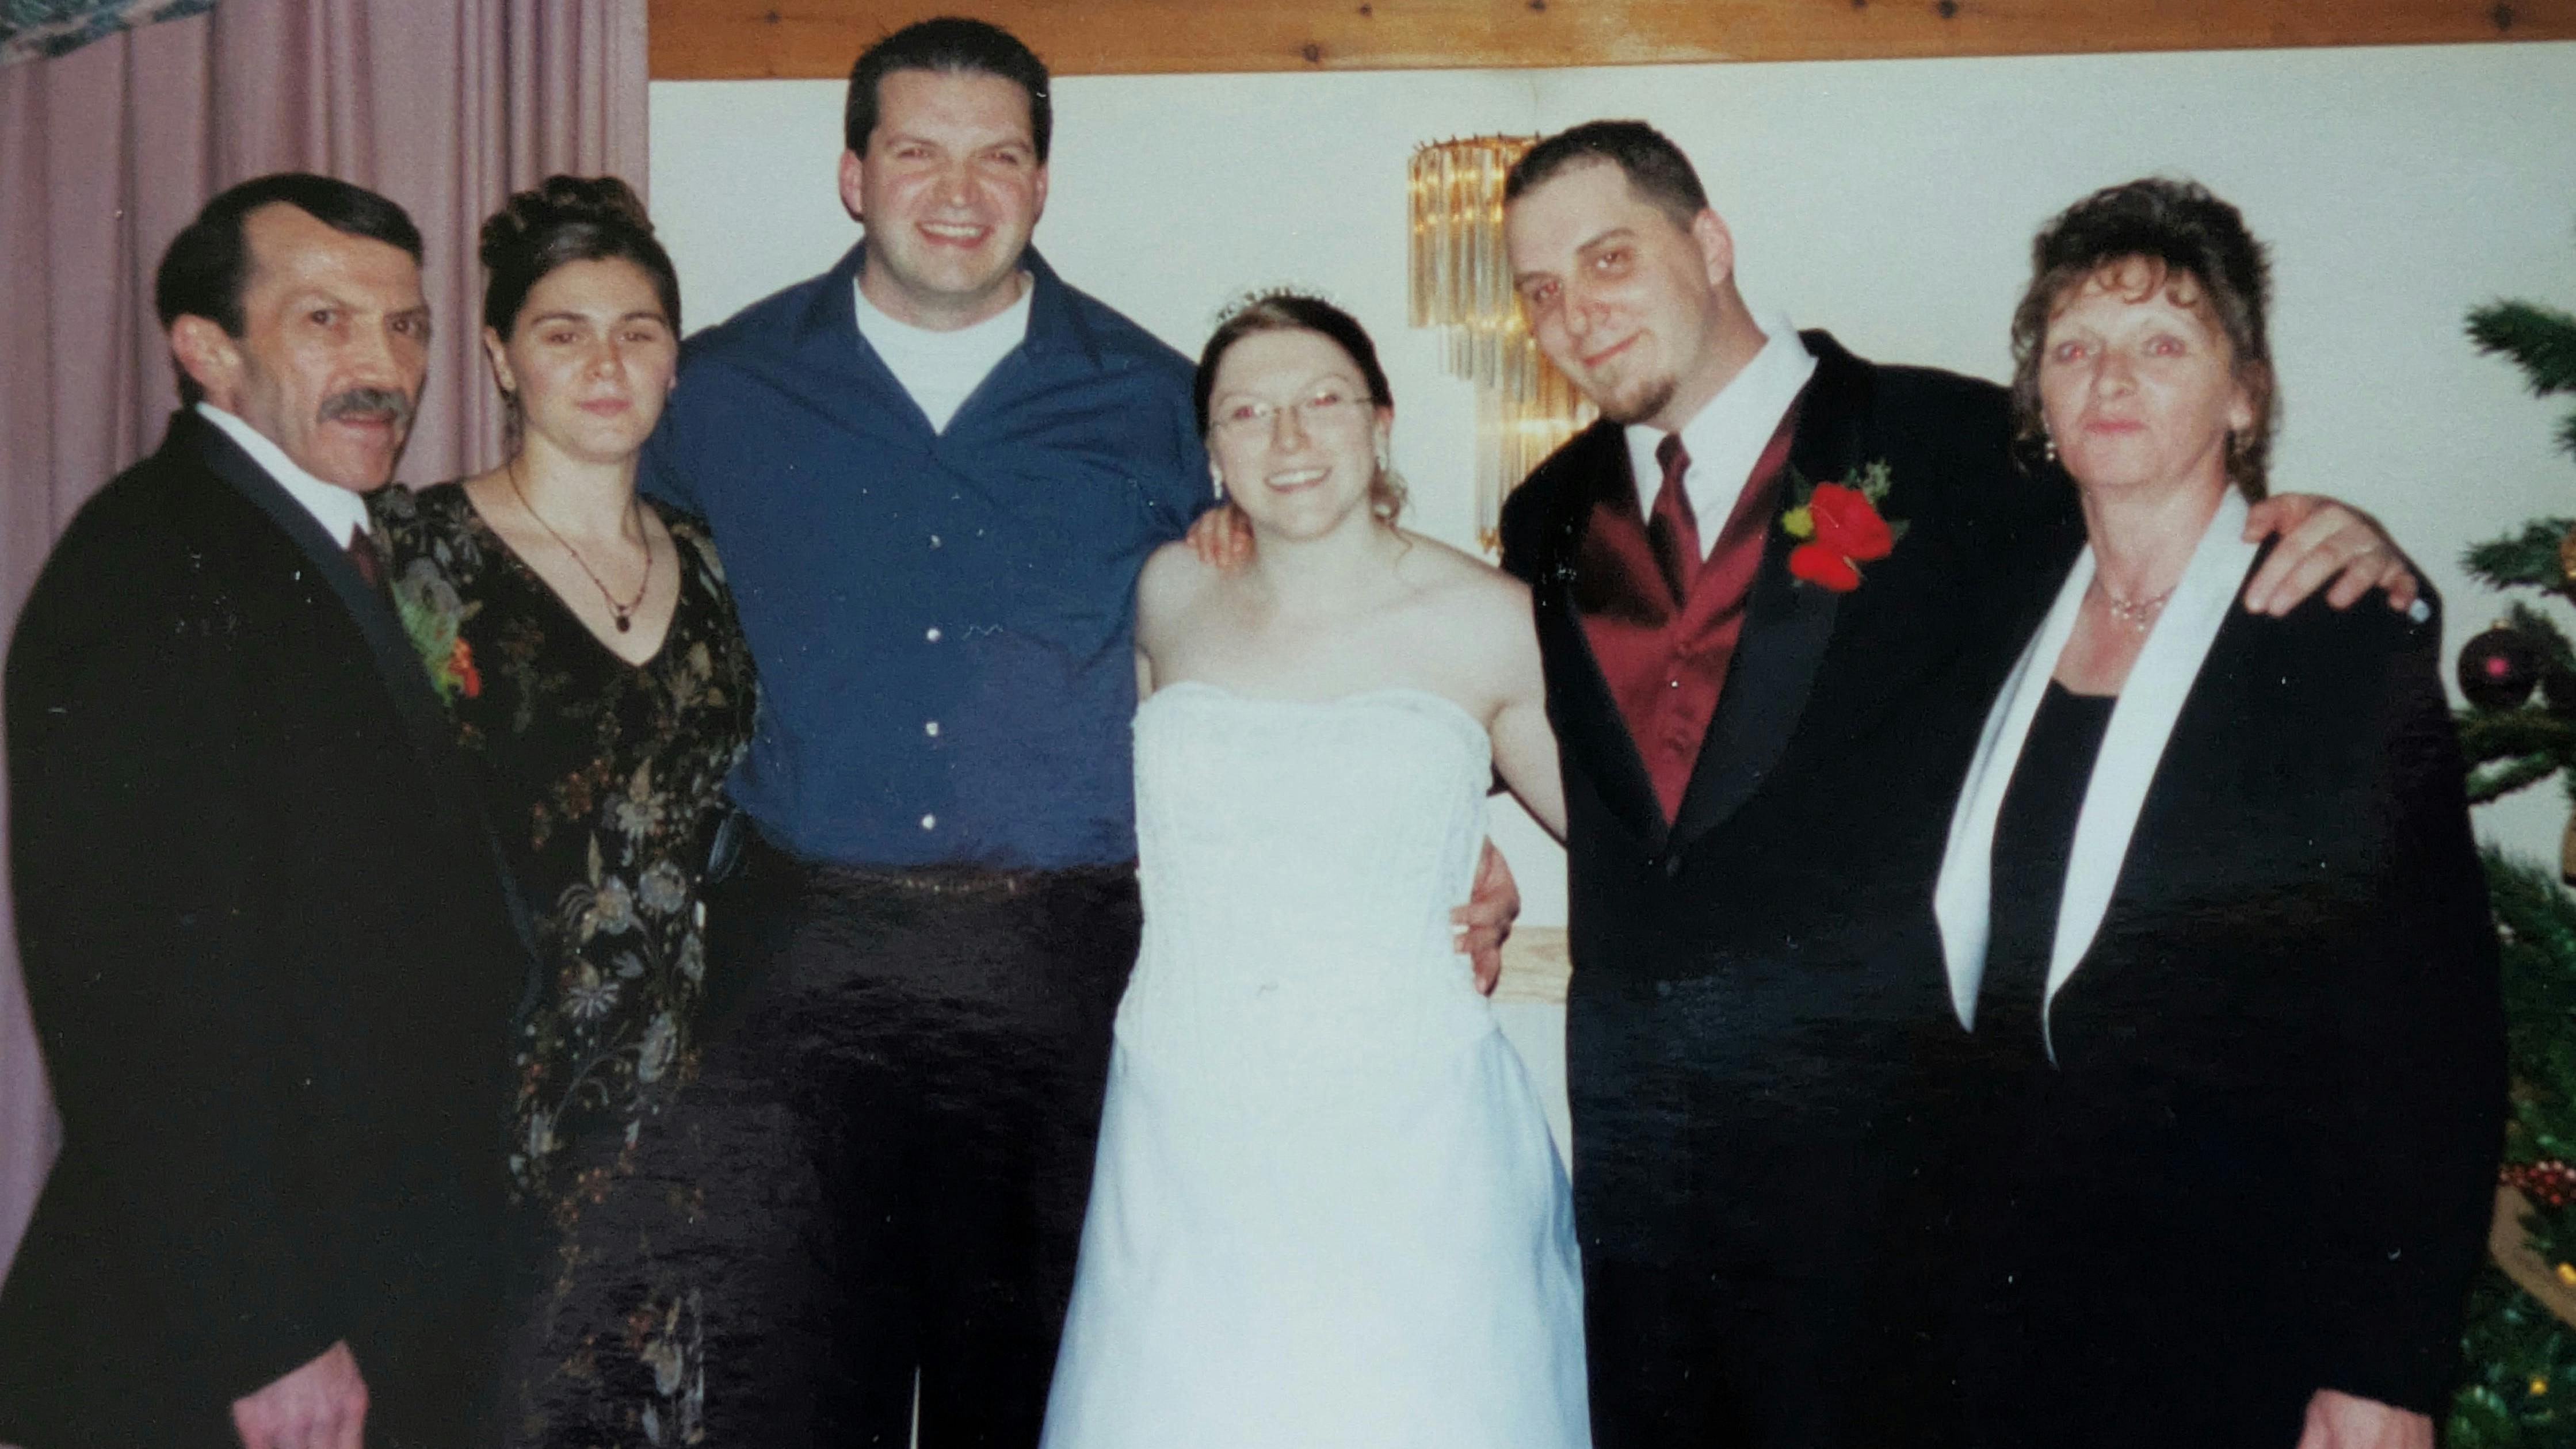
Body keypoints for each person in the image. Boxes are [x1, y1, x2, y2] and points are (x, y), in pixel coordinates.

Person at [638, 18, 1515, 1441]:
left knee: (1040, 1390)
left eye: (1001, 156)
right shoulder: (719, 389)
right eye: (917, 150)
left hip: (1060, 968)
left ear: (1043, 184)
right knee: (790, 1393)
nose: (959, 189)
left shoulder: (1161, 403)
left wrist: (1442, 840)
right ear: (854, 174)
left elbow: (1294, 642)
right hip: (799, 960)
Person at [1484, 122, 2422, 1448]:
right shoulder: (1545, 516)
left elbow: (2167, 546)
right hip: (1646, 1181)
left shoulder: (1967, 449)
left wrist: (2336, 531)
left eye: (1609, 258)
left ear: (1708, 243)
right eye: (1539, 291)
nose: (1575, 312)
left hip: (1896, 1191)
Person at [1929, 177, 2501, 1449]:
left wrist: (2386, 1366)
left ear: (2244, 393)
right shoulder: (1992, 612)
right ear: (2038, 397)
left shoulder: (2337, 635)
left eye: (2161, 344)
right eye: (2072, 348)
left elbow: (2428, 1027)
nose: (2108, 380)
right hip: (1998, 1311)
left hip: (2237, 1319)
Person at [0, 174, 531, 1448]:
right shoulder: (154, 566)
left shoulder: (318, 545)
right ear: (208, 353)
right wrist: (268, 1331)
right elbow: (136, 995)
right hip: (246, 1349)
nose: (382, 365)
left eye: (405, 327)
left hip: (369, 1289)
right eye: (325, 321)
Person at [1040, 293, 1589, 1448]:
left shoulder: (1491, 620)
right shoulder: (1168, 595)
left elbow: (1627, 838)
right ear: (1212, 453)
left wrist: (1477, 859)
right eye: (1248, 413)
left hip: (1410, 1125)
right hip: (1189, 1118)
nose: (1288, 441)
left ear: (1380, 421)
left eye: (1321, 402)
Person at [367, 175, 757, 1446]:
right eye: (562, 330)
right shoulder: (408, 555)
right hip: (478, 1110)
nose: (605, 363)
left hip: (677, 1110)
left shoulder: (706, 560)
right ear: (499, 355)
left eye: (638, 332)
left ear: (672, 365)